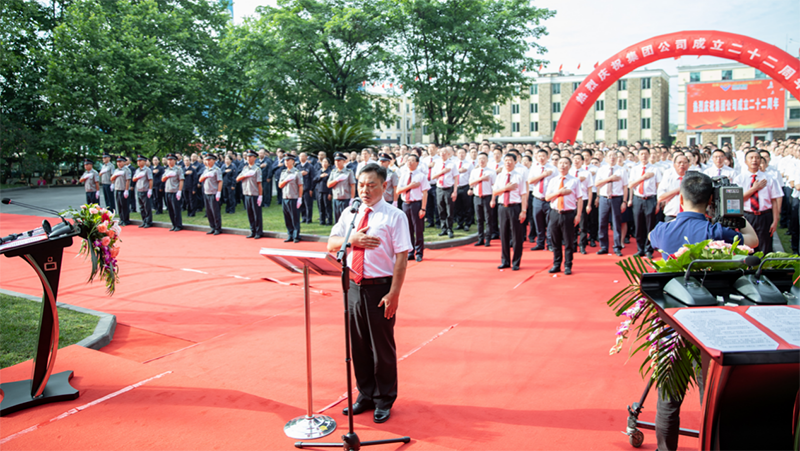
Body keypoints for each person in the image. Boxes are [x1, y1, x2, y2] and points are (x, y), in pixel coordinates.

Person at [648, 171, 758, 451]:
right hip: (710, 322)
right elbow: (752, 240)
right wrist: (734, 214)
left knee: (669, 395)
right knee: (708, 391)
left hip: (672, 322)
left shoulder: (663, 230)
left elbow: (651, 237)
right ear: (711, 200)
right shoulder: (716, 231)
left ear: (681, 198)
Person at [327, 163, 412, 424]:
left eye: (371, 185)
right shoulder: (351, 214)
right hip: (353, 286)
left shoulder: (394, 216)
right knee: (359, 345)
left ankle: (384, 398)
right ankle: (365, 393)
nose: (365, 190)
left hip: (380, 288)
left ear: (384, 186)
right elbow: (331, 244)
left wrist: (394, 293)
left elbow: (401, 258)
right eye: (361, 185)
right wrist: (351, 240)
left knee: (381, 348)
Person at [734, 149, 783, 254]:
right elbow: (737, 198)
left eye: (757, 158)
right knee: (747, 246)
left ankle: (763, 268)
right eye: (751, 158)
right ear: (745, 161)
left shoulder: (769, 178)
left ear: (761, 160)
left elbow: (774, 201)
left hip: (765, 215)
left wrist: (775, 221)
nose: (754, 160)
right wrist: (754, 189)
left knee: (765, 245)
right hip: (747, 215)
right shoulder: (739, 179)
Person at [546, 157, 582, 275]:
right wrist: (559, 192)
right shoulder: (553, 180)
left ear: (570, 166)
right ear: (557, 165)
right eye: (560, 163)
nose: (562, 165)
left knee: (568, 241)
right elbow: (547, 198)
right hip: (555, 213)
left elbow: (580, 198)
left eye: (565, 163)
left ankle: (568, 265)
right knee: (555, 240)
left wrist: (578, 215)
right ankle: (556, 264)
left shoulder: (575, 181)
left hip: (569, 214)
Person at [491, 153, 527, 271]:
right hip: (502, 207)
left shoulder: (519, 176)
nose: (508, 162)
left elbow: (524, 194)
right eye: (506, 160)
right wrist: (505, 189)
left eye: (510, 160)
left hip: (515, 207)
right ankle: (505, 261)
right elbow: (495, 192)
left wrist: (523, 210)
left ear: (515, 162)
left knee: (516, 236)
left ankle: (516, 262)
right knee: (504, 234)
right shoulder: (500, 176)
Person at [394, 154, 429, 262]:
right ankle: (410, 252)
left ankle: (419, 253)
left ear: (417, 163)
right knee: (407, 230)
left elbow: (425, 193)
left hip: (416, 204)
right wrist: (410, 186)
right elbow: (398, 191)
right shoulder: (404, 175)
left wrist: (423, 208)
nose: (409, 162)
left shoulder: (421, 176)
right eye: (408, 160)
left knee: (418, 229)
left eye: (412, 160)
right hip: (405, 204)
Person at [628, 148, 661, 259]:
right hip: (638, 199)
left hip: (651, 199)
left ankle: (649, 249)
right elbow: (631, 185)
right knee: (638, 225)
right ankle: (640, 249)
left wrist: (658, 203)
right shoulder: (635, 169)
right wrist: (643, 177)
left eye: (646, 154)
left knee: (650, 225)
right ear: (638, 156)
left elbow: (658, 186)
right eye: (641, 154)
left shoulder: (655, 169)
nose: (644, 156)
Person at [595, 151, 628, 256]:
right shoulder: (601, 170)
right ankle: (604, 246)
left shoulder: (622, 170)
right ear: (606, 158)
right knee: (602, 223)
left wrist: (624, 201)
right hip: (604, 198)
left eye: (614, 156)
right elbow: (597, 184)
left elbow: (625, 187)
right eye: (610, 156)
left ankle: (617, 247)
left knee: (616, 223)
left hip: (617, 198)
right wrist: (610, 179)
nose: (612, 158)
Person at [528, 148, 556, 251]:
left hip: (549, 199)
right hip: (537, 199)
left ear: (548, 157)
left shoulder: (553, 169)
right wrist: (543, 175)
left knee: (550, 223)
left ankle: (550, 243)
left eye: (543, 156)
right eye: (539, 156)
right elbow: (530, 181)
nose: (541, 158)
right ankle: (540, 243)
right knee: (538, 222)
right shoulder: (534, 168)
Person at [469, 152, 496, 247]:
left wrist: (493, 199)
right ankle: (480, 239)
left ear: (487, 160)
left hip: (487, 197)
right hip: (477, 197)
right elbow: (471, 183)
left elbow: (495, 187)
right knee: (479, 219)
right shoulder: (474, 171)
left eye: (484, 158)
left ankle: (488, 239)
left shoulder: (492, 172)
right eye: (480, 159)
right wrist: (481, 178)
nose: (482, 161)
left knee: (488, 219)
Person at [431, 146, 458, 238]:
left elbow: (456, 178)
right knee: (441, 209)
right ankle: (444, 229)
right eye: (441, 152)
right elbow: (433, 177)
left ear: (448, 154)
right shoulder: (437, 164)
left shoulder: (452, 164)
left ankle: (450, 229)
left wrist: (455, 191)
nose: (443, 154)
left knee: (449, 210)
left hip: (448, 189)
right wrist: (442, 172)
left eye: (444, 152)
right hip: (439, 189)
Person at [238, 149, 263, 239]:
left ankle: (258, 232)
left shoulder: (257, 169)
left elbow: (259, 183)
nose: (248, 158)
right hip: (246, 193)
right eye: (247, 157)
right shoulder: (245, 168)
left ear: (254, 158)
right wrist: (245, 175)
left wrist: (260, 196)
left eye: (250, 157)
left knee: (257, 214)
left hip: (254, 194)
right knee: (250, 214)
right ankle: (252, 231)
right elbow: (237, 179)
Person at [279, 154, 303, 243]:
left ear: (292, 161)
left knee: (295, 217)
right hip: (285, 197)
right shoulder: (283, 173)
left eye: (288, 160)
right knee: (287, 217)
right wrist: (286, 180)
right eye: (285, 160)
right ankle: (290, 234)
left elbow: (300, 186)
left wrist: (300, 198)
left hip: (294, 197)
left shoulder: (297, 172)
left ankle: (296, 235)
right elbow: (280, 185)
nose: (286, 162)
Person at [329, 152, 356, 223]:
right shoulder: (333, 172)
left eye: (339, 161)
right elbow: (328, 184)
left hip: (345, 199)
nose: (337, 162)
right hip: (336, 199)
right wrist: (336, 180)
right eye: (336, 161)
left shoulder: (349, 172)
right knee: (337, 220)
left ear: (344, 161)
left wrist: (352, 198)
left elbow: (352, 185)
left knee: (346, 220)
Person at [200, 154, 223, 235]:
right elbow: (200, 179)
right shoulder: (205, 170)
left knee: (215, 211)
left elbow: (220, 181)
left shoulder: (217, 169)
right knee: (209, 211)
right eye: (207, 160)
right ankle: (212, 227)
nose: (208, 161)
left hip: (213, 193)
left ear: (214, 160)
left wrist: (219, 192)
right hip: (206, 193)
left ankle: (218, 228)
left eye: (210, 160)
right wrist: (205, 176)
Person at [162, 154, 185, 231]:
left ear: (175, 161)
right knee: (170, 209)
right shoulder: (167, 170)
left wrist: (179, 191)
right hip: (167, 191)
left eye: (171, 160)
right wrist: (167, 176)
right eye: (168, 160)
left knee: (176, 209)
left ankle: (178, 225)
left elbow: (181, 180)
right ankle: (174, 224)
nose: (169, 161)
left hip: (175, 191)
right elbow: (162, 179)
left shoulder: (178, 169)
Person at [132, 155, 154, 228]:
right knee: (141, 207)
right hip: (139, 190)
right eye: (138, 161)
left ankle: (148, 222)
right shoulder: (137, 170)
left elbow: (150, 180)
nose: (139, 162)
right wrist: (137, 176)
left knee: (147, 207)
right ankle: (144, 221)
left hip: (145, 190)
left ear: (145, 161)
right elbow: (133, 179)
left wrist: (150, 190)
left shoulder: (147, 170)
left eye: (140, 160)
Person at [110, 156, 131, 226]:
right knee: (119, 205)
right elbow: (111, 178)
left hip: (123, 190)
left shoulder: (126, 170)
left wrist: (126, 190)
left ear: (124, 162)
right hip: (117, 189)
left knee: (124, 205)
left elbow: (128, 180)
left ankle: (126, 220)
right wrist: (115, 175)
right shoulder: (116, 170)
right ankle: (121, 219)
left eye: (120, 162)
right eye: (118, 162)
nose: (119, 163)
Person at [314, 156, 333, 225]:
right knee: (320, 206)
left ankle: (329, 220)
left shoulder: (330, 172)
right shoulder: (319, 171)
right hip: (319, 191)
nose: (324, 163)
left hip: (326, 191)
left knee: (327, 206)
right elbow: (315, 179)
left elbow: (331, 183)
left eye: (326, 162)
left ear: (328, 164)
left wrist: (330, 193)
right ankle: (322, 220)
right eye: (323, 162)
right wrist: (320, 176)